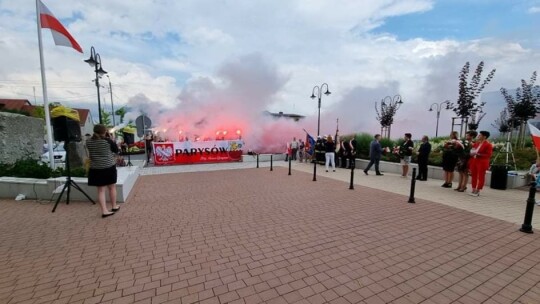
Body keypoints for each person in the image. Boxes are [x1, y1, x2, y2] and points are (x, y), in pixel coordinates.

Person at [86, 124, 120, 218]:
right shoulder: (107, 141)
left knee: (101, 190)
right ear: (104, 132)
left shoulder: (88, 141)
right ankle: (114, 206)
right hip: (108, 166)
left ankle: (104, 211)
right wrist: (111, 138)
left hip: (95, 168)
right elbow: (116, 150)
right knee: (112, 187)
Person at [468, 131, 493, 197]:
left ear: (484, 137)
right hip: (474, 160)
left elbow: (488, 155)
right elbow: (473, 149)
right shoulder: (477, 143)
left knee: (481, 176)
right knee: (474, 175)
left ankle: (478, 190)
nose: (478, 136)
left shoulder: (488, 145)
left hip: (482, 162)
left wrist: (478, 154)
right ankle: (473, 189)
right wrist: (472, 152)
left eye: (480, 135)